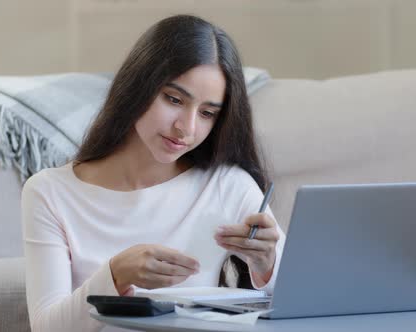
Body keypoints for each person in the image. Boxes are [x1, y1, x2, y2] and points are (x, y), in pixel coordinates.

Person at [21, 14, 285, 332]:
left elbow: (302, 300)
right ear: (138, 86)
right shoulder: (50, 192)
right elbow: (47, 328)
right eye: (174, 99)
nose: (186, 128)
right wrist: (116, 274)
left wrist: (266, 263)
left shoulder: (228, 185)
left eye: (207, 113)